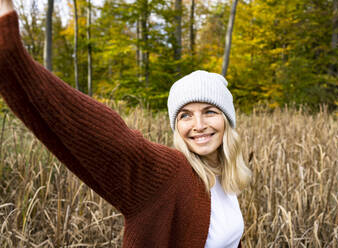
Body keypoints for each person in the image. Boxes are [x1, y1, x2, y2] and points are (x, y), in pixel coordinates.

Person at [0, 0, 251, 247]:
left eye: (209, 112)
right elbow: (112, 138)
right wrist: (11, 52)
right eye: (185, 115)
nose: (198, 124)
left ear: (227, 120)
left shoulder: (226, 178)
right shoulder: (171, 175)